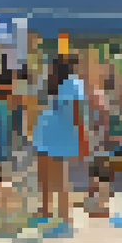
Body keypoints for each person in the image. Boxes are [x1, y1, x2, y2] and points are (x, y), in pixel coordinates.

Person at [32, 55, 89, 228]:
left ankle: (49, 212)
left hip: (46, 131)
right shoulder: (72, 83)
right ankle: (61, 216)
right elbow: (78, 114)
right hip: (59, 134)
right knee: (59, 177)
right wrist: (82, 138)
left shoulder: (55, 83)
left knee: (47, 175)